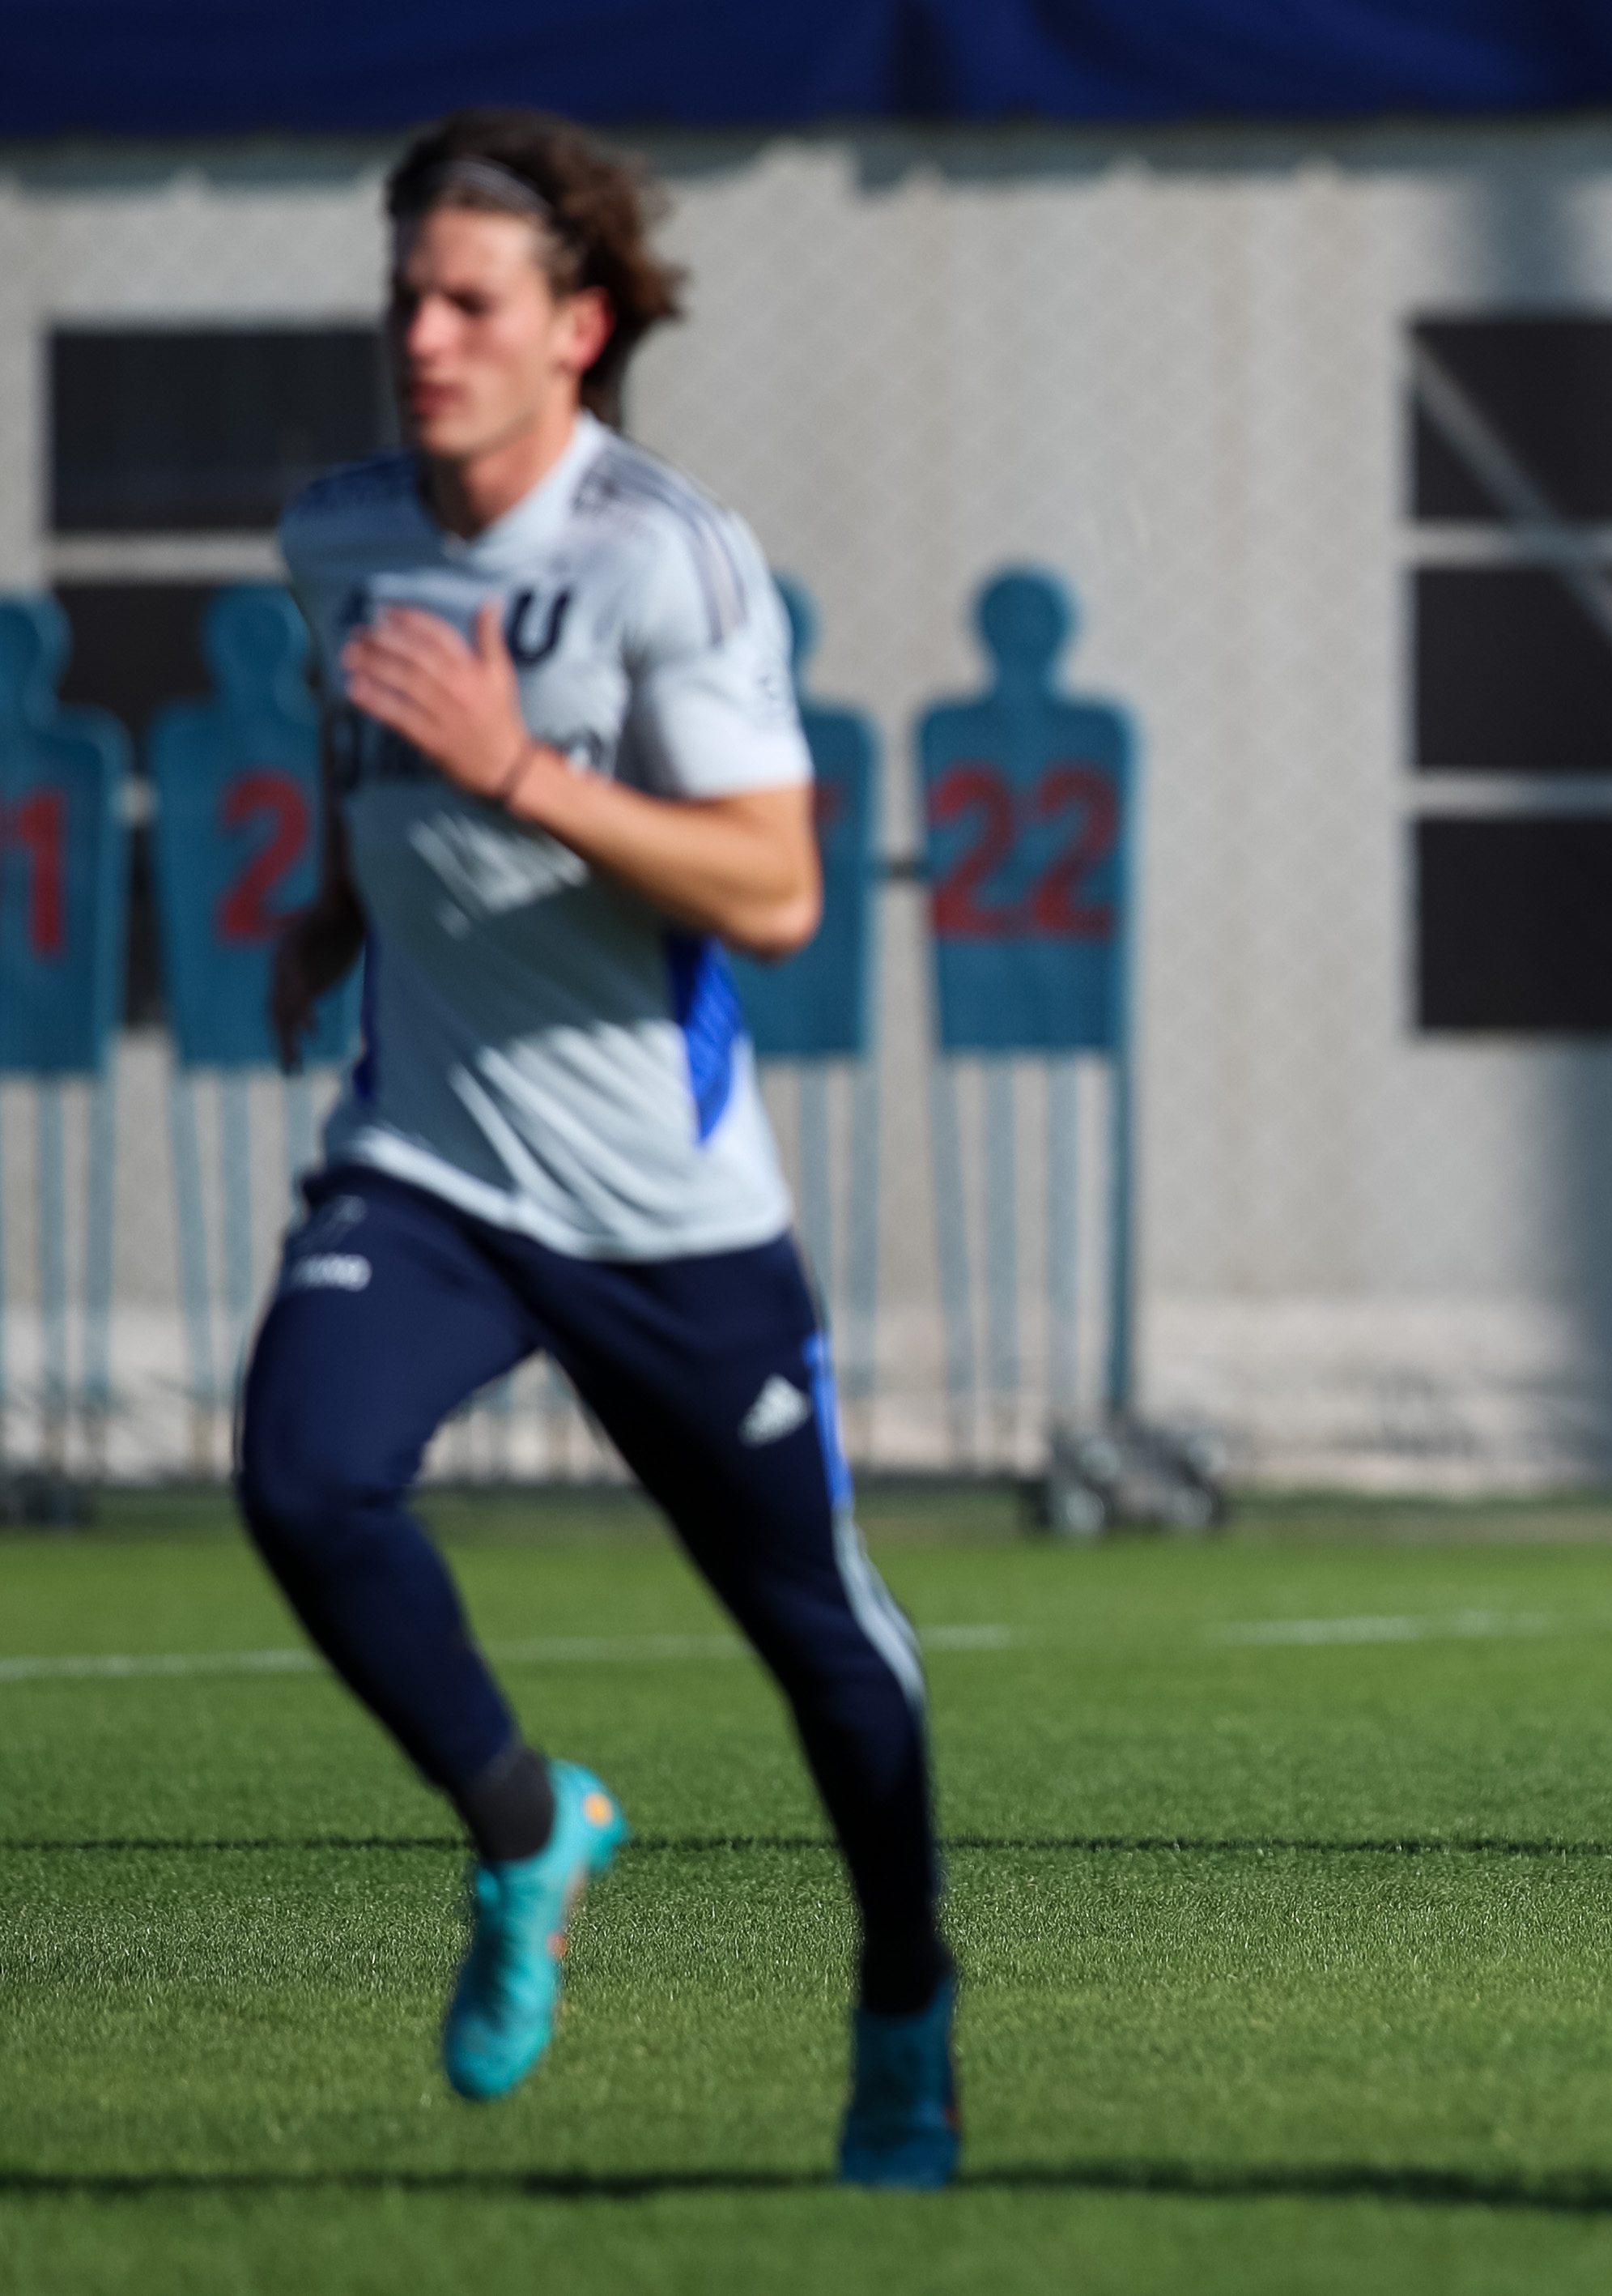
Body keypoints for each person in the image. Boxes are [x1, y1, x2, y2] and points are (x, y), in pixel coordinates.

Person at [238, 108, 959, 2188]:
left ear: (582, 325)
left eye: (470, 299)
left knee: (819, 1636)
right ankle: (525, 1821)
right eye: (405, 295)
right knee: (301, 1476)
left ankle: (906, 1994)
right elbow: (359, 742)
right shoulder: (341, 533)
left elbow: (772, 886)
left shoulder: (667, 554)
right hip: (433, 1160)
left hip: (664, 1205)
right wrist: (335, 906)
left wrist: (524, 771)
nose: (424, 334)